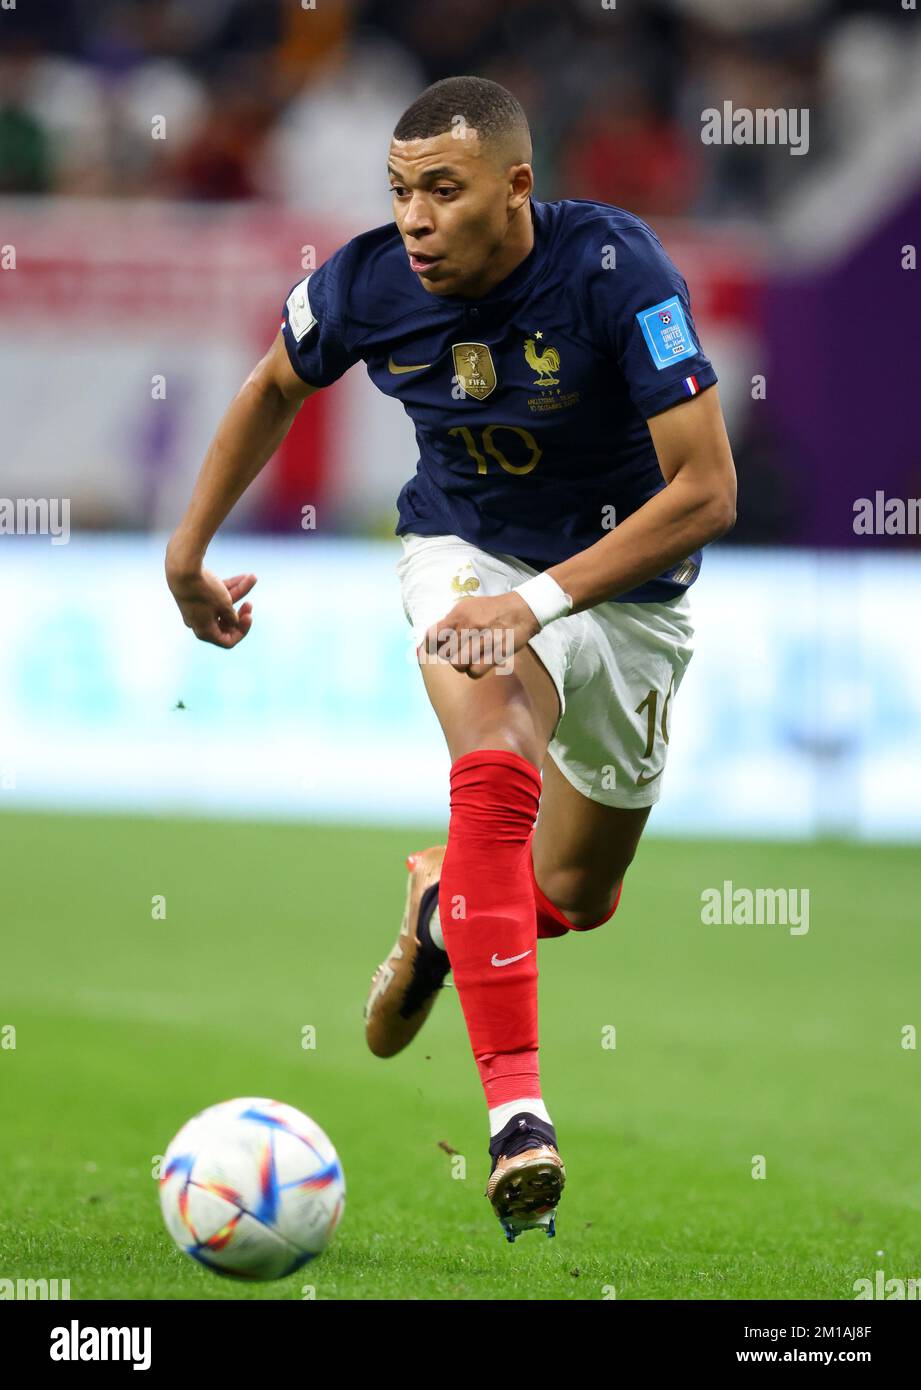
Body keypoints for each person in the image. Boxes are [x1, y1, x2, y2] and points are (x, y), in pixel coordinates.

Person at [165, 74, 737, 1244]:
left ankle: (442, 911)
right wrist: (188, 553)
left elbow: (708, 489)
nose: (414, 217)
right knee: (493, 750)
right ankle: (518, 1114)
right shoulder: (366, 280)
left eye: (442, 189)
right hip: (463, 547)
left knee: (580, 891)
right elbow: (276, 383)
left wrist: (541, 603)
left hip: (623, 584)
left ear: (517, 188)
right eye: (399, 190)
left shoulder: (616, 272)